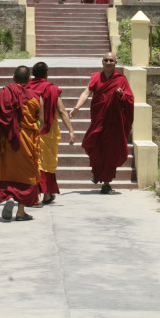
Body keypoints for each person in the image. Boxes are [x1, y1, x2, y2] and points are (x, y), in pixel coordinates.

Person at [70, 52, 134, 194]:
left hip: (113, 123)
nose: (109, 62)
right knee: (95, 146)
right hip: (99, 119)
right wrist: (76, 107)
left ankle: (106, 183)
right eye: (106, 60)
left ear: (116, 63)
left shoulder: (121, 79)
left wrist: (122, 94)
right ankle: (97, 173)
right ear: (102, 62)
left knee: (111, 152)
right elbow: (87, 92)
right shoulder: (96, 78)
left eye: (111, 60)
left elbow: (130, 98)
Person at [0, 65, 42, 221]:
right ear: (30, 79)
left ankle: (9, 197)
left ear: (14, 78)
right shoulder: (36, 97)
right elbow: (42, 121)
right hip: (26, 141)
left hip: (8, 141)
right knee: (27, 174)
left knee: (8, 171)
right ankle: (21, 211)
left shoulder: (5, 93)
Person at [27, 62, 76, 204]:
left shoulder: (27, 87)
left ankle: (36, 194)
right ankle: (47, 194)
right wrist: (71, 130)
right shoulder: (52, 89)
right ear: (47, 74)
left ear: (33, 74)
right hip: (48, 130)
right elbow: (61, 111)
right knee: (46, 162)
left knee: (34, 161)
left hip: (30, 129)